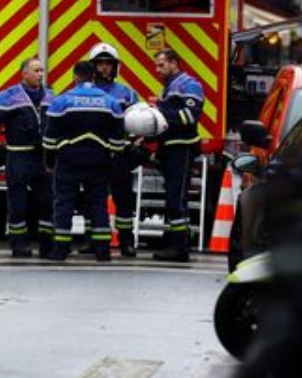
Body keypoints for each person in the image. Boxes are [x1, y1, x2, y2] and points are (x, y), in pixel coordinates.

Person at [0, 58, 57, 258]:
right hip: (18, 155)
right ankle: (19, 245)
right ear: (24, 74)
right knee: (18, 204)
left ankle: (47, 245)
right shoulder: (8, 96)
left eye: (42, 71)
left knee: (47, 201)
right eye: (36, 71)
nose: (40, 74)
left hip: (42, 157)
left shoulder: (51, 96)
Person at [43, 61, 126, 262]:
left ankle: (60, 250)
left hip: (69, 160)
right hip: (99, 161)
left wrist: (50, 162)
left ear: (75, 77)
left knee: (64, 204)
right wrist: (111, 157)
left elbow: (49, 138)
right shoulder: (110, 102)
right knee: (98, 205)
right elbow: (118, 139)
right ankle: (102, 251)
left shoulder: (62, 101)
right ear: (93, 77)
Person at [85, 43, 142, 257]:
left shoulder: (127, 94)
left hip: (120, 155)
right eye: (100, 63)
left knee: (123, 200)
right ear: (93, 66)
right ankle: (93, 240)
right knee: (93, 198)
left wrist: (136, 145)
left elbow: (136, 124)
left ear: (115, 67)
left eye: (108, 63)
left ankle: (127, 241)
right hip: (94, 154)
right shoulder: (86, 93)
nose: (104, 68)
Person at [150, 48, 205, 263]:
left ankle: (180, 247)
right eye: (156, 65)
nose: (157, 70)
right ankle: (174, 239)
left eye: (161, 65)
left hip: (182, 148)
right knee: (172, 197)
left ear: (174, 63)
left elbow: (189, 116)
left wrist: (159, 112)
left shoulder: (189, 85)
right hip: (170, 147)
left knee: (176, 197)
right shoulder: (171, 87)